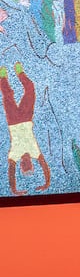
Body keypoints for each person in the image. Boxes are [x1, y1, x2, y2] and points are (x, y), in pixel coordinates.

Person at [2, 62, 51, 194]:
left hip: (12, 121)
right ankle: (20, 72)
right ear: (32, 163)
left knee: (7, 96)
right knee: (30, 88)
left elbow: (11, 172)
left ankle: (2, 77)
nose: (26, 163)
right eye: (29, 165)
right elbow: (45, 167)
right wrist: (47, 183)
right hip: (26, 118)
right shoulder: (35, 152)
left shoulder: (15, 154)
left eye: (24, 166)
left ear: (21, 166)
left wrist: (14, 189)